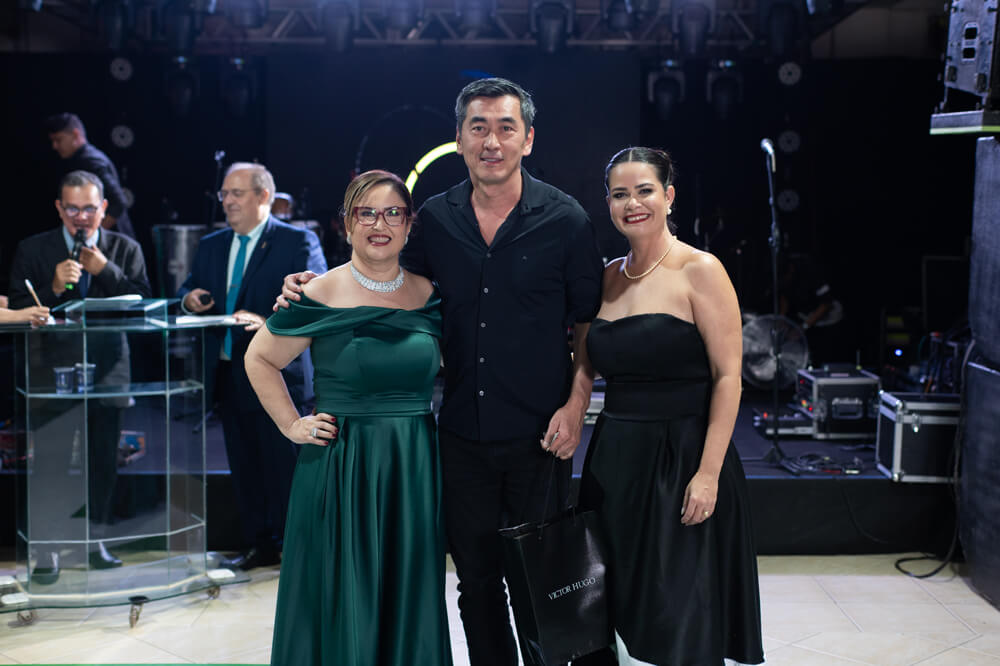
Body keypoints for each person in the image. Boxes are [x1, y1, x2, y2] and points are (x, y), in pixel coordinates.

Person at [277, 78, 604, 666]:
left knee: (540, 579)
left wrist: (577, 404)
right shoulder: (433, 218)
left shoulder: (567, 219)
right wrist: (312, 288)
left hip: (541, 436)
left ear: (528, 139)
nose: (492, 142)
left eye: (505, 128)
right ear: (459, 138)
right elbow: (382, 277)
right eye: (478, 128)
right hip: (458, 436)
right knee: (476, 585)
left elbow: (587, 323)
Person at [245, 170, 452, 664]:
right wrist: (292, 424)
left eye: (393, 213)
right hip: (342, 465)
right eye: (367, 213)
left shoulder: (431, 295)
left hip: (412, 465)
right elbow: (260, 358)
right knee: (344, 589)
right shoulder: (318, 292)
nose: (380, 224)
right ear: (347, 223)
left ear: (409, 225)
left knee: (407, 590)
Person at [576, 147, 763, 665]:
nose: (632, 204)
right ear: (608, 204)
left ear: (669, 196)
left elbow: (728, 378)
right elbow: (584, 365)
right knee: (613, 600)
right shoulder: (606, 277)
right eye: (619, 194)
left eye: (645, 191)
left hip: (683, 457)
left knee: (679, 610)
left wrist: (708, 474)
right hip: (614, 460)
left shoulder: (700, 269)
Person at [177, 162, 327, 571]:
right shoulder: (212, 245)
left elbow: (317, 298)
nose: (227, 201)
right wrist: (189, 299)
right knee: (244, 467)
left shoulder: (297, 241)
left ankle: (300, 552)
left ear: (264, 196)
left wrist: (268, 324)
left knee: (285, 467)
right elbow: (186, 289)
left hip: (279, 375)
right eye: (224, 194)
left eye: (236, 193)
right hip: (227, 374)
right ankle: (259, 546)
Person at [8, 169, 152, 578]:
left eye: (89, 208)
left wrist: (106, 271)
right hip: (50, 372)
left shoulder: (124, 248)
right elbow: (15, 308)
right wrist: (53, 287)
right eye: (72, 209)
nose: (81, 218)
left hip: (109, 370)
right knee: (50, 463)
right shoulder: (33, 248)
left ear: (103, 207)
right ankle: (47, 549)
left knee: (102, 462)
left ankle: (94, 540)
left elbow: (144, 303)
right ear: (59, 208)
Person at [45, 113, 136, 240]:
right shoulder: (85, 159)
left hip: (112, 244)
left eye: (59, 140)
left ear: (75, 135)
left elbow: (118, 203)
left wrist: (89, 237)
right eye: (53, 141)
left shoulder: (90, 161)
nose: (55, 146)